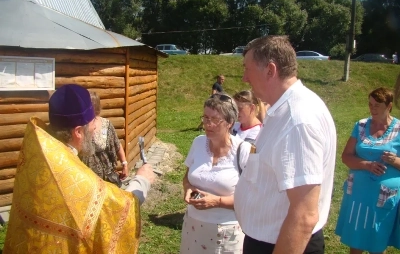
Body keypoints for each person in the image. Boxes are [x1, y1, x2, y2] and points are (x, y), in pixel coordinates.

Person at [3, 84, 155, 253]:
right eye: (91, 124)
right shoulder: (73, 176)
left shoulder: (37, 158)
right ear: (78, 132)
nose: (94, 128)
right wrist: (142, 180)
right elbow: (115, 210)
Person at [234, 36, 337, 254]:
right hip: (271, 240)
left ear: (270, 70)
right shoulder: (284, 111)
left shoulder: (296, 121)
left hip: (283, 244)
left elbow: (304, 215)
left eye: (248, 69)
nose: (244, 78)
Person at [181, 93, 252, 254]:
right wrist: (188, 188)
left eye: (215, 120)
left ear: (230, 123)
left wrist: (217, 201)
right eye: (205, 118)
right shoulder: (198, 142)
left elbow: (253, 198)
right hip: (193, 227)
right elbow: (186, 177)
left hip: (227, 233)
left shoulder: (243, 150)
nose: (208, 124)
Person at [335, 87, 400, 254]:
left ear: (389, 106)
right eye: (370, 104)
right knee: (356, 237)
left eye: (377, 105)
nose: (372, 108)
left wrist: (395, 160)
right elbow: (346, 156)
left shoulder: (399, 129)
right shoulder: (361, 125)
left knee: (378, 239)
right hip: (358, 194)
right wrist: (366, 165)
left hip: (384, 197)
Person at [79, 91, 129, 187]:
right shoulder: (79, 126)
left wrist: (124, 164)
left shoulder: (106, 124)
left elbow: (117, 145)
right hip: (86, 179)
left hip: (107, 179)